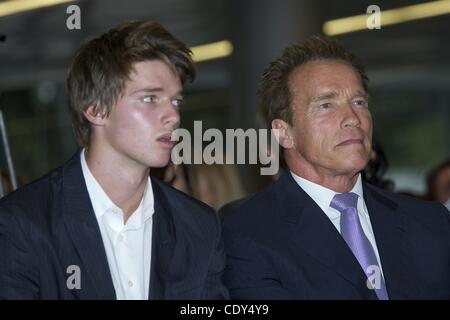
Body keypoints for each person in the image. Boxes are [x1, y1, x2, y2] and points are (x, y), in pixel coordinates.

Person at [0, 21, 229, 300]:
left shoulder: (198, 226)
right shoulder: (24, 223)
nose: (173, 116)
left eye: (176, 101)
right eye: (150, 99)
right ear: (96, 110)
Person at [220, 36, 450, 299]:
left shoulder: (430, 222)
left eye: (359, 102)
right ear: (284, 133)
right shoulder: (246, 231)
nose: (353, 118)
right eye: (326, 105)